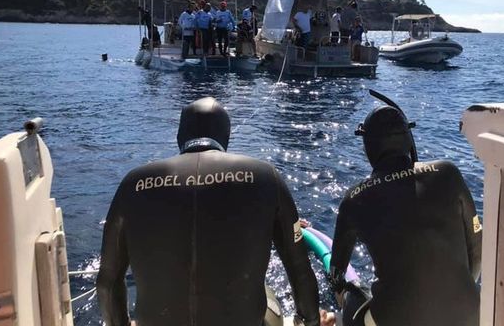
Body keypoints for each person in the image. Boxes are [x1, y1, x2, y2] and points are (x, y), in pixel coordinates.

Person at [97, 97, 322, 326]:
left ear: (180, 136)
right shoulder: (266, 177)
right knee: (269, 297)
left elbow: (108, 281)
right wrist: (311, 321)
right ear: (226, 135)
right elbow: (299, 268)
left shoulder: (134, 183)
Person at [328, 100, 482, 326]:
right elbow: (476, 248)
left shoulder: (354, 198)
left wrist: (340, 289)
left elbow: (336, 273)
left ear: (368, 146)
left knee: (351, 297)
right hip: (469, 314)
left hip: (395, 318)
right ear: (408, 139)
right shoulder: (448, 173)